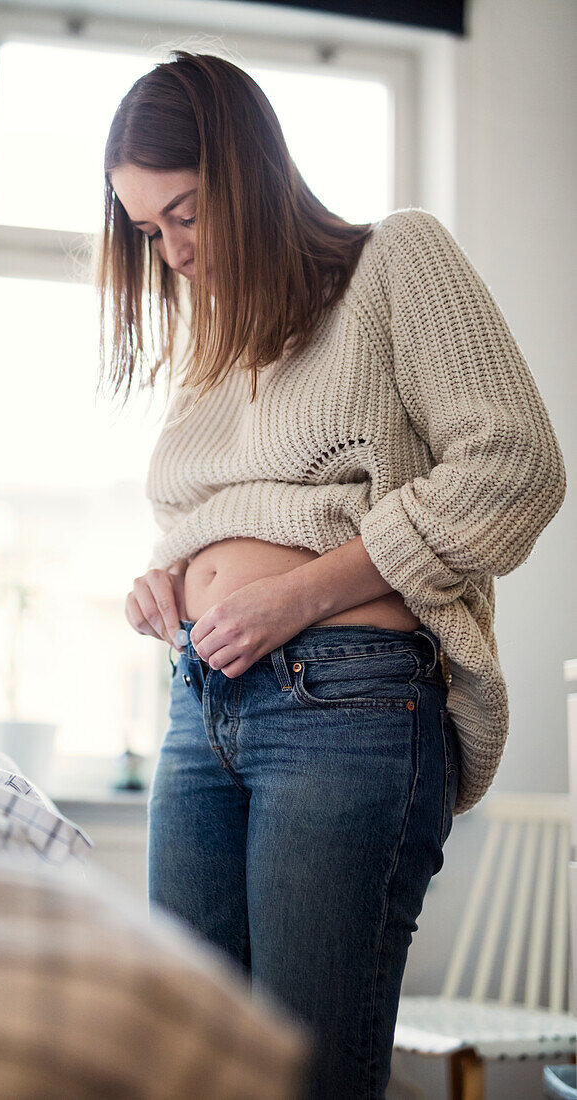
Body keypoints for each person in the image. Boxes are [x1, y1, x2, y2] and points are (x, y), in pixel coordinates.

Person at [96, 49, 567, 1099]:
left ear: (250, 171)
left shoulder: (393, 259)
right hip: (200, 706)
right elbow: (205, 513)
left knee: (307, 1076)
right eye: (146, 231)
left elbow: (516, 464)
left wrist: (296, 596)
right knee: (197, 1067)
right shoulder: (215, 342)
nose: (170, 252)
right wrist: (167, 581)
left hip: (345, 701)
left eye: (184, 213)